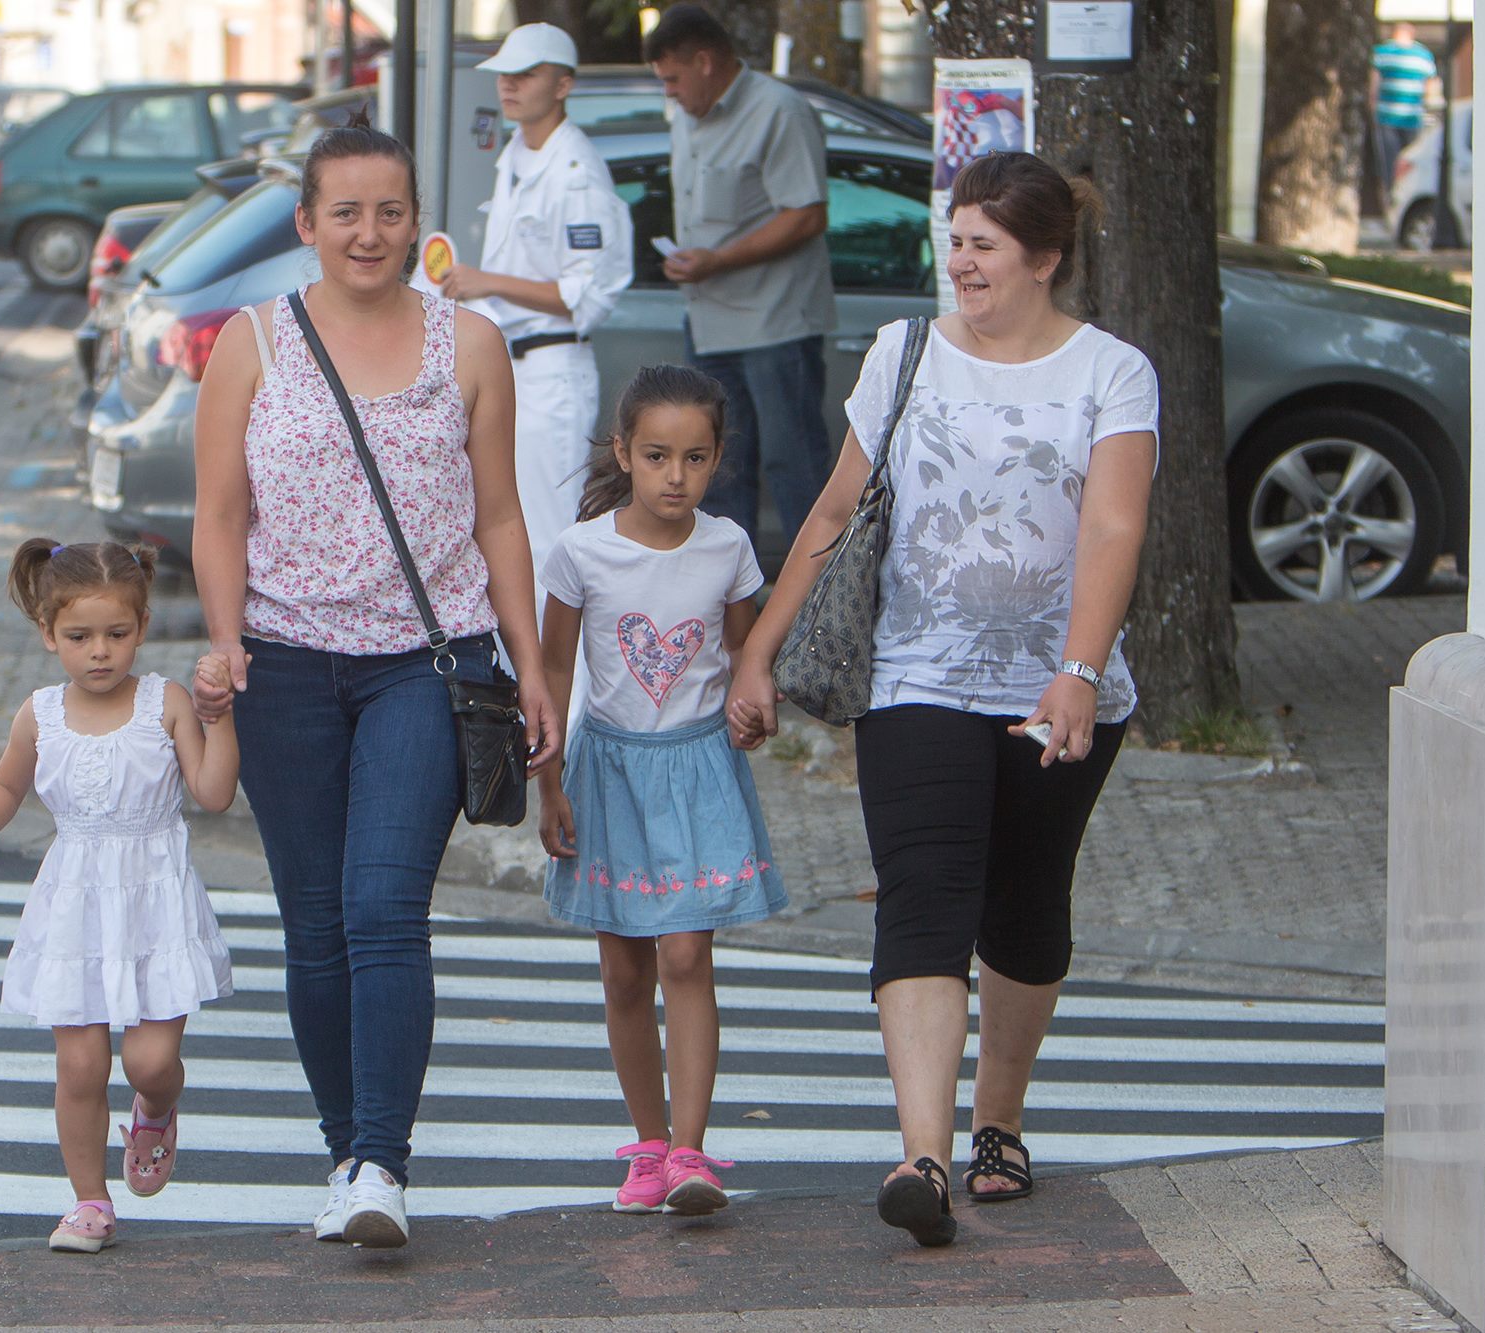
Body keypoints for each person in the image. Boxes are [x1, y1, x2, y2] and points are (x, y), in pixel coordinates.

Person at [726, 152, 1158, 1248]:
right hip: (914, 672)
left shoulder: (1111, 371)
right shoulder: (902, 350)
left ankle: (995, 1122)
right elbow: (833, 512)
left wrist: (1078, 668)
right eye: (953, 238)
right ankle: (920, 1154)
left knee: (1023, 902)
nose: (958, 261)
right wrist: (758, 651)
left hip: (1058, 684)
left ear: (1043, 259)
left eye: (982, 245)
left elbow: (1113, 525)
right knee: (921, 894)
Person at [188, 111, 560, 1250]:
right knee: (313, 923)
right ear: (306, 224)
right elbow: (217, 515)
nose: (367, 232)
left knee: (384, 907)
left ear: (415, 224)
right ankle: (343, 1148)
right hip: (284, 666)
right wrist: (225, 640)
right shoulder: (251, 341)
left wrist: (532, 666)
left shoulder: (471, 344)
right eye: (344, 211)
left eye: (388, 212)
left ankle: (383, 1166)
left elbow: (500, 517)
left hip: (426, 664)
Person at [537, 364, 785, 1216]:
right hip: (607, 773)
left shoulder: (729, 548)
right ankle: (648, 1145)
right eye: (656, 456)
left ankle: (690, 1150)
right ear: (624, 452)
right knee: (622, 972)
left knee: (685, 954)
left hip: (698, 771)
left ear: (716, 458)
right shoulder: (581, 552)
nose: (675, 476)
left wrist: (752, 707)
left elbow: (745, 659)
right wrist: (549, 786)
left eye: (695, 458)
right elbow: (554, 672)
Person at [0, 538, 241, 1255]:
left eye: (117, 633)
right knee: (80, 1065)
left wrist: (219, 716)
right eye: (79, 636)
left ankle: (156, 1108)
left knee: (148, 1062)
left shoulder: (164, 702)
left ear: (142, 628)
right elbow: (7, 782)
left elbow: (213, 793)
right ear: (49, 634)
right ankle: (89, 1202)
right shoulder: (40, 713)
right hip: (75, 904)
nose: (100, 651)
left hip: (154, 904)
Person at [440, 21, 633, 616]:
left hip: (551, 368)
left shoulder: (576, 171)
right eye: (505, 75)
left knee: (548, 536)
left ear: (563, 85)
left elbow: (587, 294)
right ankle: (518, 669)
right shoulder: (517, 155)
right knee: (500, 527)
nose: (509, 86)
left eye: (526, 75)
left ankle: (562, 675)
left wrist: (488, 282)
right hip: (508, 366)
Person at [645, 2, 836, 547]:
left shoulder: (779, 111)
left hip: (776, 323)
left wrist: (718, 260)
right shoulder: (688, 116)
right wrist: (690, 261)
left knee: (793, 466)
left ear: (705, 62)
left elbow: (807, 215)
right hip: (708, 323)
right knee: (716, 470)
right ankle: (731, 592)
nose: (669, 93)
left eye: (673, 79)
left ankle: (817, 595)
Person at [1371, 23, 1438, 205]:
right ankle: (1403, 199)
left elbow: (1373, 85)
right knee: (1409, 162)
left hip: (1388, 116)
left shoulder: (1382, 53)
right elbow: (1430, 87)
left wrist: (1372, 109)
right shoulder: (1423, 55)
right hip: (1410, 117)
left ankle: (1392, 200)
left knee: (1390, 164)